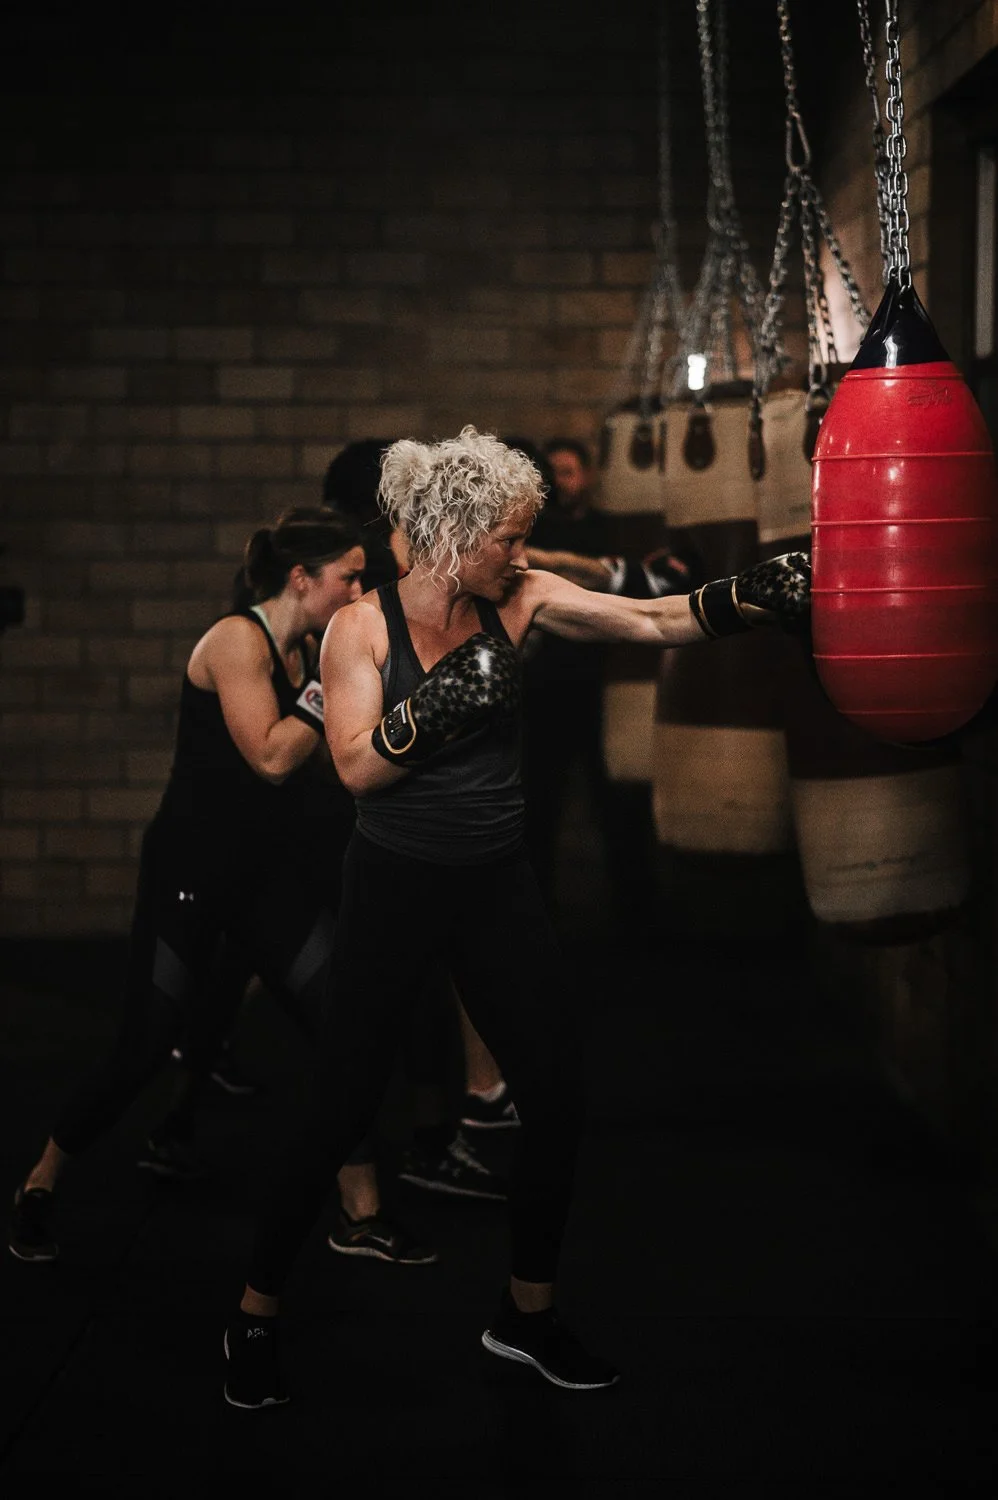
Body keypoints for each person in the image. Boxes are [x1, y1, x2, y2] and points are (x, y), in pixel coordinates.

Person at [221, 426, 811, 1408]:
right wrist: (440, 708)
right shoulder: (359, 630)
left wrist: (741, 600)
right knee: (336, 1108)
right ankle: (253, 1311)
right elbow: (359, 767)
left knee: (559, 1095)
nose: (522, 554)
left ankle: (524, 1316)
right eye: (507, 537)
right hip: (394, 884)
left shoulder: (522, 599)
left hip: (493, 883)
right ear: (455, 534)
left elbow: (648, 621)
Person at [8, 507, 435, 1271]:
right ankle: (39, 1184)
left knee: (347, 1023)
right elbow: (272, 757)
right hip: (193, 876)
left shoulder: (304, 642)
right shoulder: (236, 640)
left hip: (264, 881)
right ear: (302, 579)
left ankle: (361, 1211)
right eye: (348, 578)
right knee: (143, 1046)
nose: (359, 589)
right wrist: (324, 687)